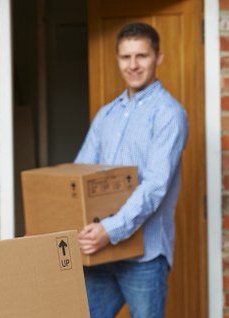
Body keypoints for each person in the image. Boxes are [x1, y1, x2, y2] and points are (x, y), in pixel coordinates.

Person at [75, 22, 188, 318]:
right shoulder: (107, 114)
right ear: (117, 59)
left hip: (145, 256)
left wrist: (108, 231)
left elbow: (154, 187)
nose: (133, 65)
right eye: (126, 57)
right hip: (100, 253)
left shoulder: (169, 114)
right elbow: (79, 174)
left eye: (142, 56)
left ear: (158, 58)